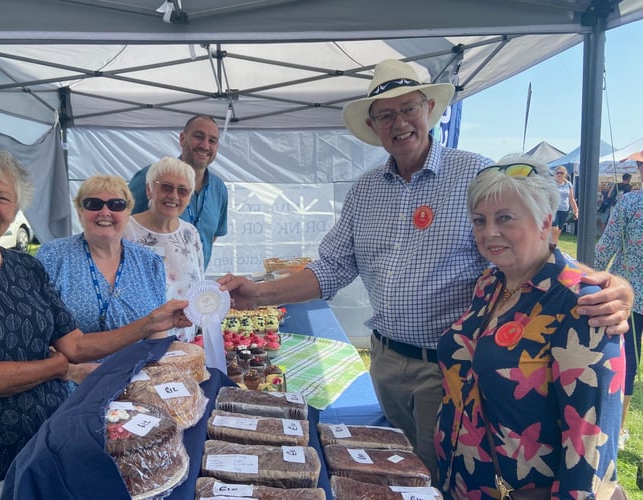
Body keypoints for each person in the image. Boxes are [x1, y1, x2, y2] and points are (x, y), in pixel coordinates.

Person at [218, 58, 634, 476]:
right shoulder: (364, 191)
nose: (399, 122)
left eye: (408, 109)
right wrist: (258, 294)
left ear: (429, 111)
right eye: (385, 115)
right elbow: (332, 268)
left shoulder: (474, 172)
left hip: (451, 363)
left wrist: (596, 282)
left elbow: (523, 236)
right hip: (384, 360)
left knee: (441, 470)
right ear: (374, 126)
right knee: (394, 470)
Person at [0, 144, 190, 498]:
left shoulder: (25, 267)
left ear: (16, 207)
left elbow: (76, 344)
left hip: (51, 444)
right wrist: (57, 367)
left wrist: (150, 322)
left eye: (2, 197)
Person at [436, 159, 622, 498]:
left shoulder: (582, 305)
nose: (489, 232)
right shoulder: (490, 282)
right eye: (480, 220)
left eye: (505, 218)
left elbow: (591, 444)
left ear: (545, 221)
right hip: (460, 481)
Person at [36, 174, 168, 386]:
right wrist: (72, 371)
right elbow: (36, 336)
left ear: (128, 212)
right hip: (70, 388)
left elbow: (158, 332)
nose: (105, 212)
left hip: (136, 385)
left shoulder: (149, 262)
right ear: (80, 211)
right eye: (93, 204)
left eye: (116, 204)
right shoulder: (52, 257)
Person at [129, 115, 228, 270]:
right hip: (148, 285)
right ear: (182, 139)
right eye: (199, 136)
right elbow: (122, 223)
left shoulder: (219, 189)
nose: (205, 145)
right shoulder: (151, 177)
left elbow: (212, 236)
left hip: (192, 286)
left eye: (212, 141)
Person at [124, 157, 204, 343]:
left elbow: (199, 281)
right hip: (138, 344)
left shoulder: (190, 233)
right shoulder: (126, 231)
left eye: (183, 190)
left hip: (185, 343)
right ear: (149, 190)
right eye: (166, 187)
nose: (174, 196)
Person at [595, 159, 643, 452]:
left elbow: (605, 247)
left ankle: (620, 428)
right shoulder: (629, 201)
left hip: (629, 298)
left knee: (627, 364)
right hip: (630, 298)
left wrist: (590, 279)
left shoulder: (629, 202)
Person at [551, 166, 578, 245]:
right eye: (557, 173)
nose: (559, 175)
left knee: (559, 230)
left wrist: (576, 210)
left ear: (564, 174)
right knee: (554, 228)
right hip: (553, 209)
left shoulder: (568, 184)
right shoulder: (551, 184)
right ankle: (550, 244)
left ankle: (554, 246)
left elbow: (571, 199)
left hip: (564, 210)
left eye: (561, 173)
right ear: (555, 174)